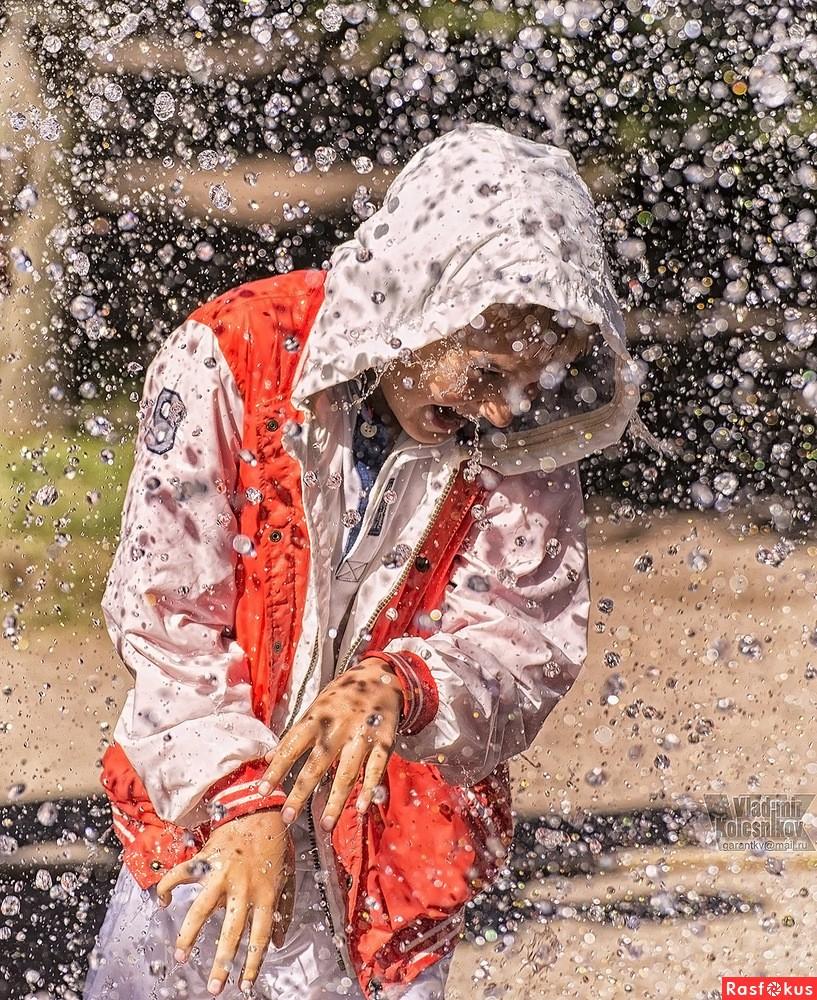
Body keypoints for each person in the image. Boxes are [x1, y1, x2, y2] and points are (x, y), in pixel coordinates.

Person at [83, 122, 641, 1000]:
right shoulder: (235, 357)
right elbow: (165, 619)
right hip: (201, 809)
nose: (504, 415)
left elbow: (524, 640)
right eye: (487, 374)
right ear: (425, 300)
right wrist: (239, 801)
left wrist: (405, 685)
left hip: (397, 845)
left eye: (531, 385)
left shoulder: (527, 443)